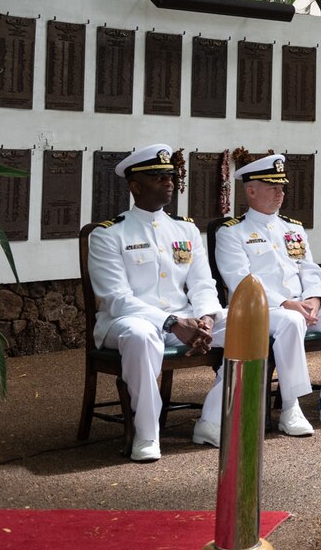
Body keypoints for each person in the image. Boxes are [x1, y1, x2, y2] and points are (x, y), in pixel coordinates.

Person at [208, 154, 321, 444]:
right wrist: (286, 302)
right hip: (264, 309)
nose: (281, 192)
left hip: (304, 306)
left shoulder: (293, 228)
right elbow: (240, 281)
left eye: (282, 186)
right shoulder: (232, 232)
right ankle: (291, 408)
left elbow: (309, 269)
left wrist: (314, 298)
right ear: (251, 190)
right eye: (272, 186)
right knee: (290, 320)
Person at [87, 144, 225, 462]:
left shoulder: (185, 229)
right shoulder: (109, 235)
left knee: (248, 326)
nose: (168, 182)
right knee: (140, 335)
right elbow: (116, 299)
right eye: (158, 177)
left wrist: (205, 318)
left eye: (170, 176)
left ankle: (212, 420)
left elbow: (203, 284)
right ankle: (146, 434)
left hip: (187, 320)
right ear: (134, 186)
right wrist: (173, 323)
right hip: (128, 322)